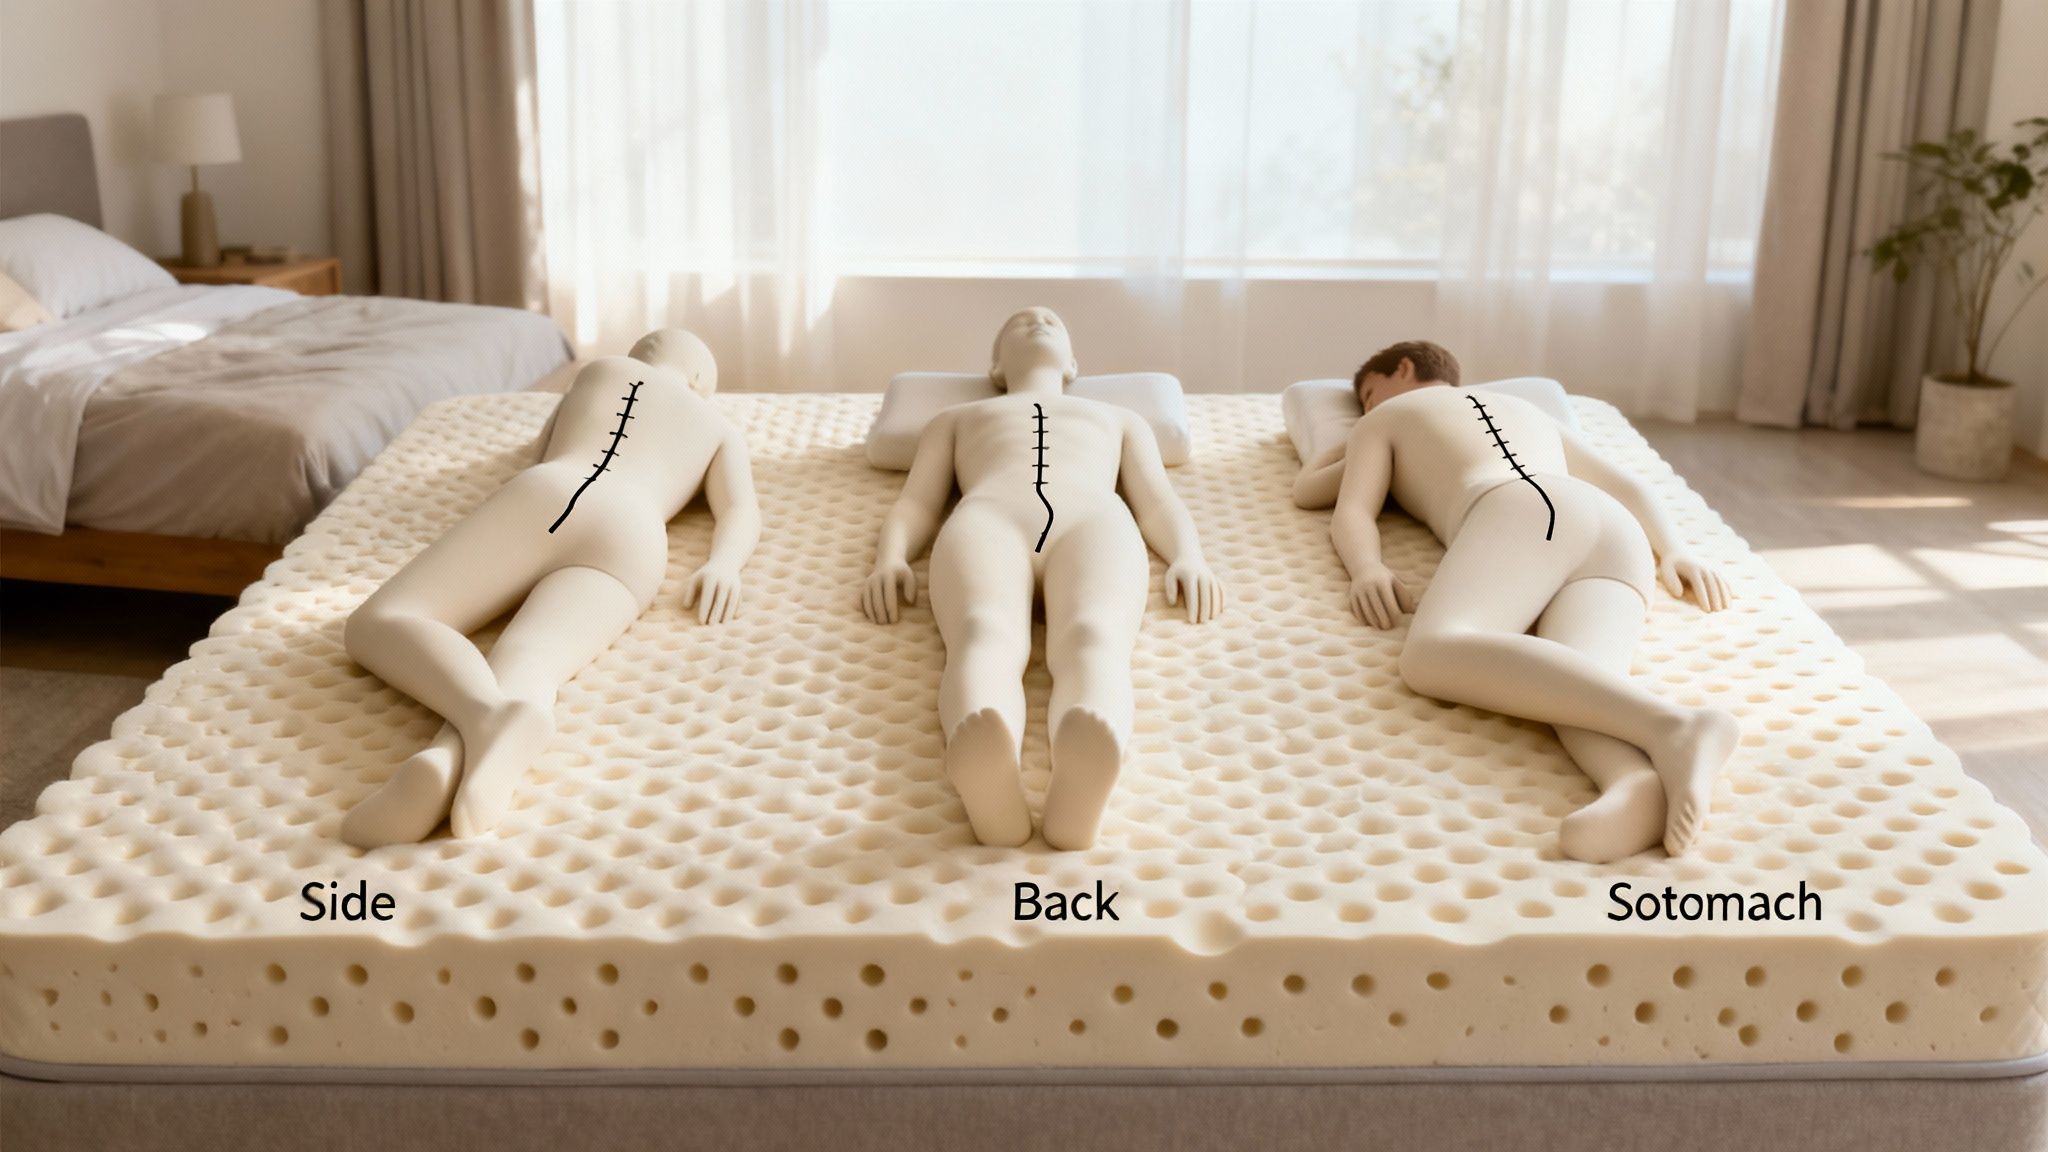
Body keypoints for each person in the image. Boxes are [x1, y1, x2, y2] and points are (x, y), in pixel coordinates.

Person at [1296, 341, 1735, 861]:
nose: (1366, 407)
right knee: (1578, 684)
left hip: (1524, 509)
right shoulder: (1528, 410)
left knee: (1432, 651)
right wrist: (1674, 550)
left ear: (1404, 369)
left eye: (1368, 393)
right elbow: (1625, 483)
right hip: (1616, 530)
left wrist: (1367, 565)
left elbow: (1333, 502)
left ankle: (1678, 725)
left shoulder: (1387, 417)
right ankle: (1633, 782)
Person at [340, 329, 760, 847]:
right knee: (531, 658)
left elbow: (538, 452)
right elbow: (740, 509)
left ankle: (481, 716)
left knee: (385, 621)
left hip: (559, 489)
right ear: (700, 382)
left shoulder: (601, 371)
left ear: (643, 355)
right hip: (637, 536)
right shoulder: (718, 427)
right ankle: (448, 765)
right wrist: (725, 565)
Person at [862, 307, 1224, 850]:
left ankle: (1085, 762)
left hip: (1093, 521)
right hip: (989, 520)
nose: (1036, 319)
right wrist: (890, 556)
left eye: (1051, 319)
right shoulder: (956, 419)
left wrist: (1188, 555)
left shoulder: (1120, 418)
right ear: (995, 366)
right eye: (1018, 322)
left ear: (1073, 363)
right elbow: (916, 502)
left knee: (1094, 636)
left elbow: (1157, 501)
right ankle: (990, 769)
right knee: (983, 633)